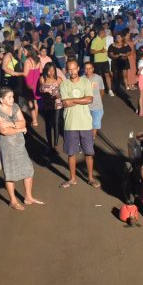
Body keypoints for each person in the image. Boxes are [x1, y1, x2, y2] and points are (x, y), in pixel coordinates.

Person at [0, 87, 44, 211]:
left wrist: (10, 124)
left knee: (28, 170)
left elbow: (23, 122)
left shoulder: (15, 106)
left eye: (12, 96)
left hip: (20, 144)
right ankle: (13, 201)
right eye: (9, 97)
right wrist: (19, 129)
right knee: (10, 173)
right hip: (7, 146)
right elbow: (3, 131)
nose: (12, 99)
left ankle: (28, 197)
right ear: (2, 100)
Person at [59, 58, 98, 189]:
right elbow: (65, 103)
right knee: (71, 153)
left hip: (85, 123)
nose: (72, 71)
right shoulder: (64, 84)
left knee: (89, 153)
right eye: (69, 69)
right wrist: (81, 99)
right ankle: (72, 179)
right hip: (70, 124)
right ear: (67, 70)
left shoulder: (86, 82)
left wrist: (73, 100)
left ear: (78, 68)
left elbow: (90, 99)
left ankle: (90, 178)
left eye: (74, 69)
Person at [82, 61, 106, 141]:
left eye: (90, 68)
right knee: (86, 125)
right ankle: (85, 140)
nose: (88, 70)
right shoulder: (82, 79)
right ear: (84, 69)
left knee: (95, 125)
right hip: (85, 107)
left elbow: (102, 90)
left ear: (93, 69)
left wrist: (98, 100)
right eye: (86, 68)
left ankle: (91, 140)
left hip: (97, 107)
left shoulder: (98, 78)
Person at [90, 27, 113, 96]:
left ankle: (110, 90)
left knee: (107, 75)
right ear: (101, 33)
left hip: (105, 60)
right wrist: (100, 51)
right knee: (99, 77)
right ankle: (100, 89)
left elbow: (110, 37)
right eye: (104, 33)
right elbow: (91, 51)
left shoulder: (104, 38)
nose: (105, 34)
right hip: (98, 61)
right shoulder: (95, 40)